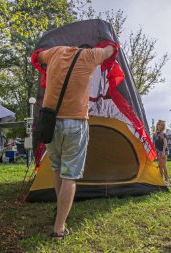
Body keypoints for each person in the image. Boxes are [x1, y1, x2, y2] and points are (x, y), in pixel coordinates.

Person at [36, 43, 116, 240]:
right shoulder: (89, 56)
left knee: (57, 168)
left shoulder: (56, 52)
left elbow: (37, 56)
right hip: (75, 122)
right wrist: (109, 42)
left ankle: (59, 210)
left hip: (50, 122)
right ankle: (59, 228)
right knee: (69, 175)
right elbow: (111, 50)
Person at [153, 120, 171, 185]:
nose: (159, 126)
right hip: (158, 151)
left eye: (161, 125)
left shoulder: (163, 134)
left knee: (163, 166)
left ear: (163, 127)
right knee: (160, 166)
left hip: (164, 151)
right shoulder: (155, 134)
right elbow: (154, 144)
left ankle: (167, 181)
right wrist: (155, 152)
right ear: (157, 125)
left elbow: (165, 144)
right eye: (159, 124)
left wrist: (163, 152)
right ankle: (161, 180)